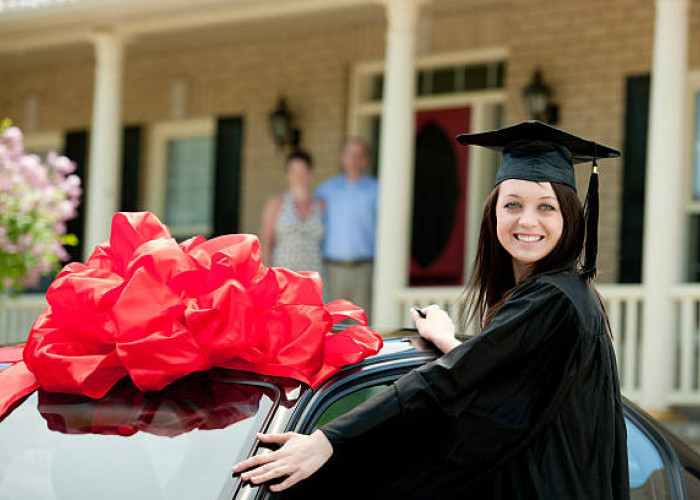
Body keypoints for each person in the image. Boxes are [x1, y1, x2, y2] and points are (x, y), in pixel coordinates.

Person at [233, 121, 630, 499]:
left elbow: (442, 385)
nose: (527, 220)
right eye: (513, 204)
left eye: (546, 207)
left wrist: (327, 440)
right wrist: (450, 341)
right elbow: (506, 383)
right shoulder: (565, 295)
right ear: (493, 213)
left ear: (569, 217)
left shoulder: (553, 299)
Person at [315, 138, 378, 316]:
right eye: (350, 155)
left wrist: (378, 271)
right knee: (333, 324)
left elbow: (383, 233)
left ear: (366, 160)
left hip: (364, 269)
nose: (354, 160)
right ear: (342, 158)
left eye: (359, 156)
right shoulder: (325, 190)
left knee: (362, 326)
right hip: (332, 271)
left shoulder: (376, 190)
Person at [260, 150, 324, 274]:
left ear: (310, 173)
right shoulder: (276, 203)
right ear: (287, 174)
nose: (297, 176)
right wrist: (265, 274)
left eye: (302, 171)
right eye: (293, 171)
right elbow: (267, 242)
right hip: (284, 275)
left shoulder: (320, 205)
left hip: (314, 275)